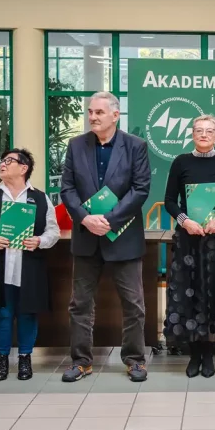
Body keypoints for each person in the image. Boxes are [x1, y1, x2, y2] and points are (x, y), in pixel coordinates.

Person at [60, 91, 151, 383]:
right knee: (80, 304)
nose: (92, 117)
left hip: (123, 237)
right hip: (87, 237)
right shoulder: (76, 145)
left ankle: (135, 360)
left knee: (133, 304)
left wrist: (109, 220)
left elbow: (140, 189)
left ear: (115, 115)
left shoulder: (135, 146)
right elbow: (67, 188)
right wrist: (85, 218)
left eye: (99, 112)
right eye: (90, 112)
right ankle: (81, 362)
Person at [163, 115, 215, 378]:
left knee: (214, 294)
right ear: (192, 134)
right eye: (199, 130)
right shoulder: (181, 162)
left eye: (209, 131)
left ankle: (209, 354)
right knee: (190, 293)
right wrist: (185, 221)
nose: (203, 134)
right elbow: (169, 200)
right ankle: (194, 355)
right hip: (189, 239)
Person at [0, 149, 59, 381]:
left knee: (28, 312)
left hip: (30, 265)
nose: (3, 164)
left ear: (23, 168)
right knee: (2, 312)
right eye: (2, 160)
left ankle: (25, 359)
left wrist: (40, 241)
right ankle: (1, 360)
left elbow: (53, 231)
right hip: (0, 265)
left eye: (9, 161)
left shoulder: (40, 198)